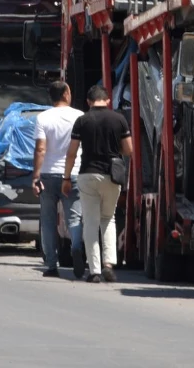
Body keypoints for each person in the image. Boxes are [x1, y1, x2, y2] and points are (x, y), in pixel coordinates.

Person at [63, 84, 131, 283]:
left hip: (87, 175)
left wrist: (66, 178)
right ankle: (108, 264)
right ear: (108, 100)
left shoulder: (82, 121)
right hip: (111, 176)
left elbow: (72, 152)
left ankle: (94, 271)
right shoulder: (119, 119)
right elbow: (129, 150)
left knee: (90, 222)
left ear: (88, 102)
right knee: (108, 219)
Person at [31, 81, 83, 278]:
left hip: (48, 175)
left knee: (48, 220)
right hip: (73, 173)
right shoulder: (79, 116)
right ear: (66, 94)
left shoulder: (43, 117)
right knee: (74, 217)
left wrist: (36, 176)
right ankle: (76, 247)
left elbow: (40, 149)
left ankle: (52, 265)